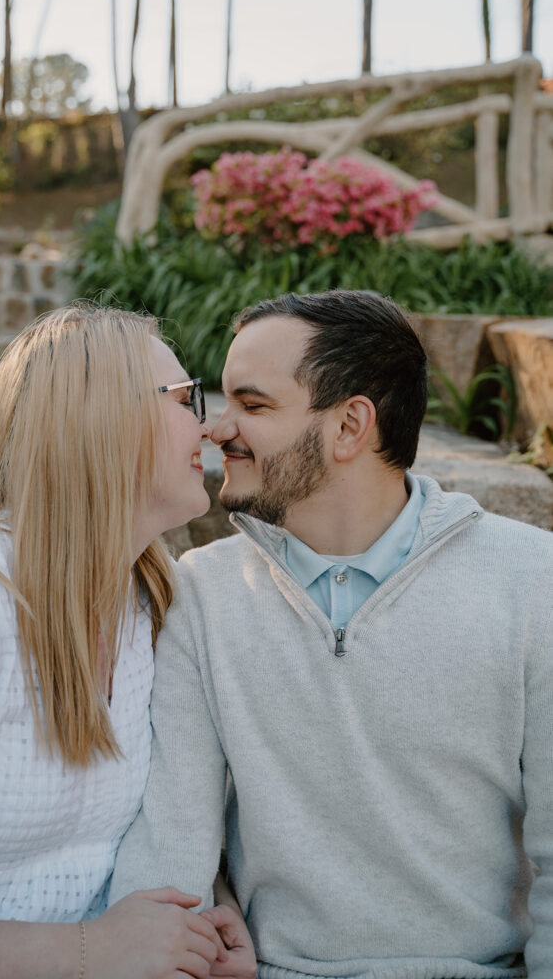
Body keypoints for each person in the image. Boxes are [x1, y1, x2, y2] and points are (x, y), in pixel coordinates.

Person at [109, 289, 553, 978]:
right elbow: (170, 839)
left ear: (350, 426)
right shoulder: (199, 592)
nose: (217, 429)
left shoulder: (531, 581)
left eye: (252, 406)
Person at [0, 303, 254, 979]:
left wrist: (201, 924)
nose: (210, 423)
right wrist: (87, 953)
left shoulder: (152, 602)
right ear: (101, 417)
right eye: (186, 397)